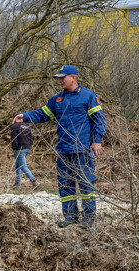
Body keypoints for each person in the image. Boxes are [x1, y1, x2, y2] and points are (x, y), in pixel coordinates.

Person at [13, 65, 106, 228]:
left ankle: (89, 217)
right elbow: (43, 114)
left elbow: (99, 120)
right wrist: (24, 116)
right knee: (65, 184)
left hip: (82, 149)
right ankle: (70, 216)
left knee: (86, 184)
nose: (60, 81)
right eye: (59, 78)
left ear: (74, 77)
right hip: (63, 149)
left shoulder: (88, 96)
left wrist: (96, 141)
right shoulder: (57, 99)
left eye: (63, 77)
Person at [10, 114, 37, 188]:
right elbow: (31, 138)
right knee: (18, 165)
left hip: (20, 148)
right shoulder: (27, 126)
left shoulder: (14, 127)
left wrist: (14, 148)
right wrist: (29, 146)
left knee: (23, 166)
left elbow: (14, 139)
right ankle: (17, 183)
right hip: (27, 147)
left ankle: (33, 180)